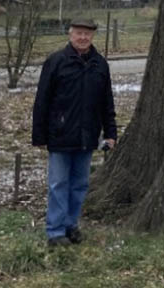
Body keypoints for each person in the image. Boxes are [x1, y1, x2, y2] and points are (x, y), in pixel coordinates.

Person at [32, 17, 117, 247]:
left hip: (88, 135)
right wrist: (39, 135)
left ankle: (71, 225)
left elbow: (106, 102)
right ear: (70, 33)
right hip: (60, 133)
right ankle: (55, 231)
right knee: (58, 184)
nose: (83, 37)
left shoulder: (100, 65)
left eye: (87, 34)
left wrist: (111, 132)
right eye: (78, 33)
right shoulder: (56, 61)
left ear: (92, 36)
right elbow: (42, 100)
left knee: (80, 184)